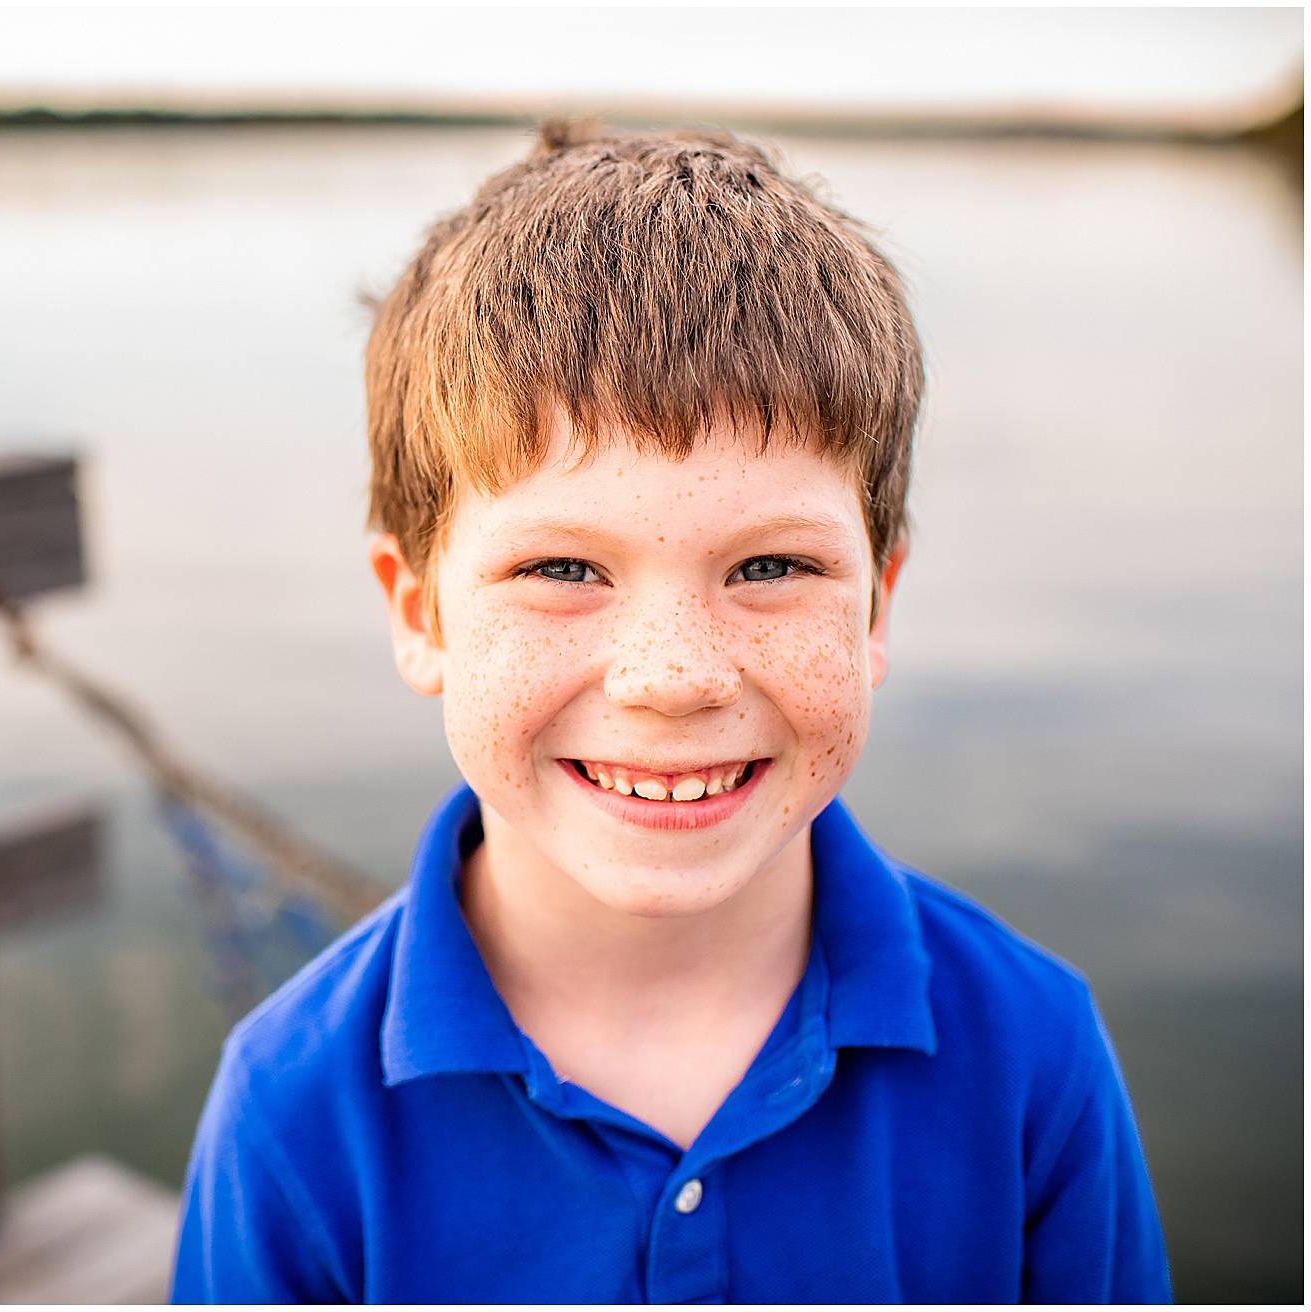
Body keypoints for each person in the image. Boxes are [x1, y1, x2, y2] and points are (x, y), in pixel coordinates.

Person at [169, 122, 1170, 1303]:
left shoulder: (1030, 1056)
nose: (672, 675)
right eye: (559, 569)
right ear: (420, 613)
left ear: (875, 609)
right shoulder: (293, 1113)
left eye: (768, 568)